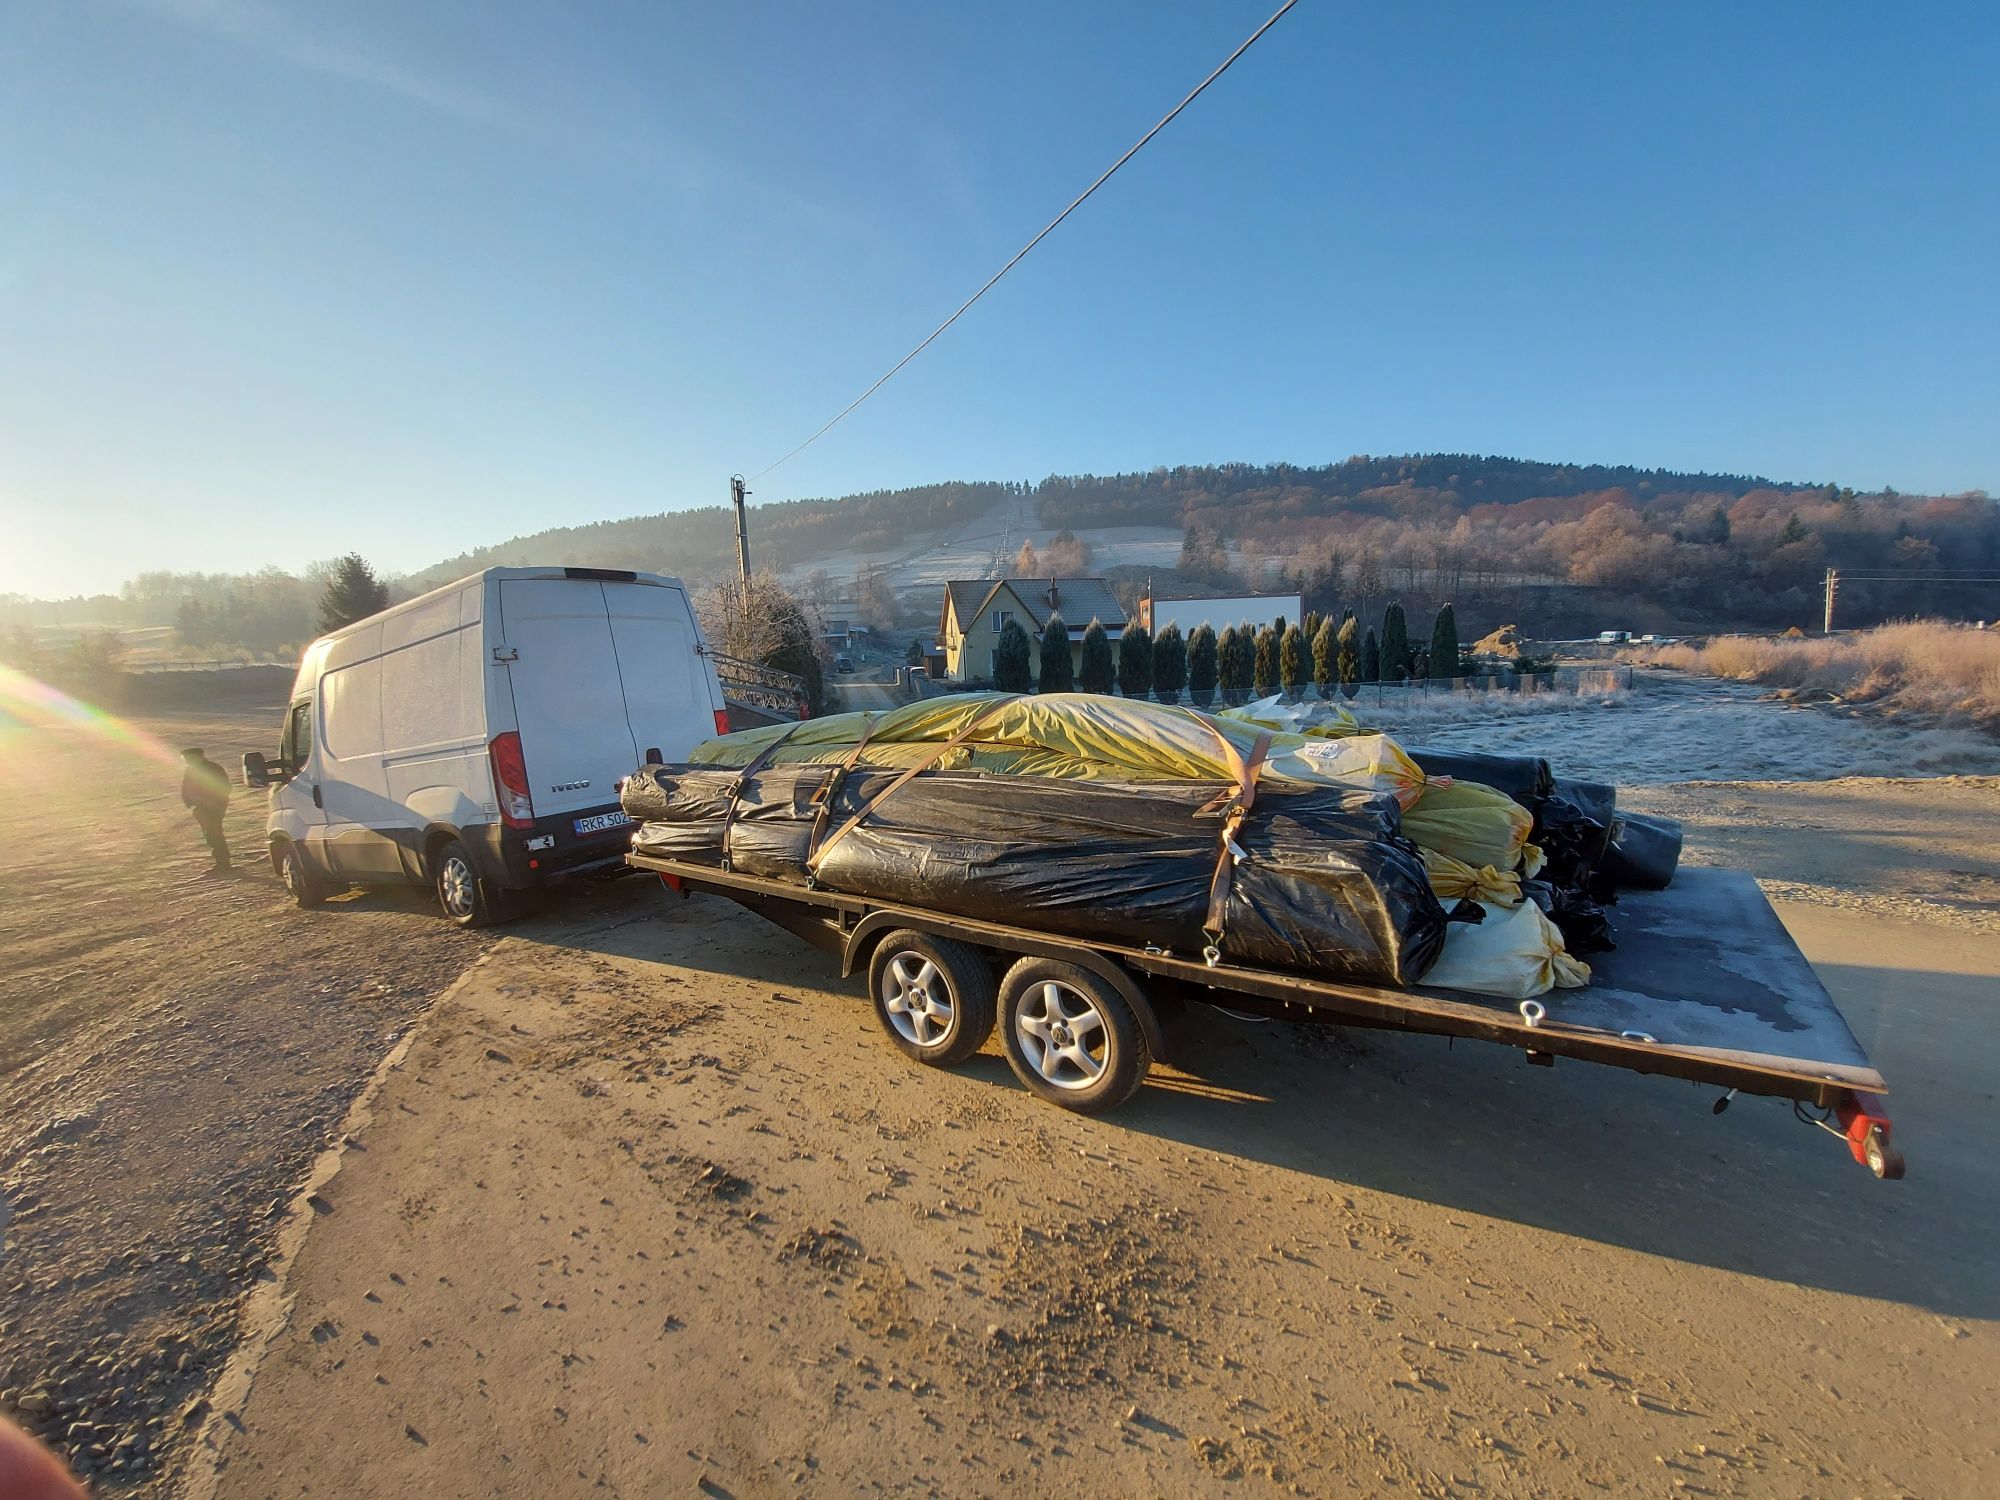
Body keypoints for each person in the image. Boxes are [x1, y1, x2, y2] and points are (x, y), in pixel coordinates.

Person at [180, 747, 232, 874]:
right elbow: (186, 787)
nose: (188, 761)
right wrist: (188, 801)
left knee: (214, 832)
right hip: (200, 807)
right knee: (210, 833)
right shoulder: (190, 770)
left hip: (215, 805)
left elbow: (224, 786)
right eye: (186, 759)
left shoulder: (213, 768)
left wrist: (212, 800)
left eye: (189, 758)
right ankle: (221, 861)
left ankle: (223, 862)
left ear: (199, 756)